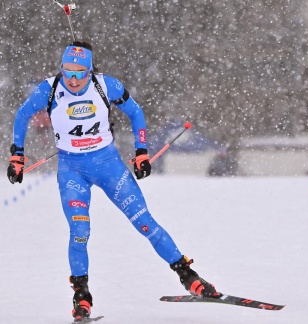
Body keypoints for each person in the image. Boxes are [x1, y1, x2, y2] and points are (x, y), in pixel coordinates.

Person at [7, 41, 221, 321]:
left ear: (90, 71)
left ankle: (188, 275)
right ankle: (81, 296)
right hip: (73, 170)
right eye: (67, 72)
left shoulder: (106, 86)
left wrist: (141, 152)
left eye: (79, 73)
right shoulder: (48, 89)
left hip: (109, 166)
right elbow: (22, 115)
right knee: (80, 231)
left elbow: (135, 112)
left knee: (145, 222)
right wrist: (17, 156)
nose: (72, 79)